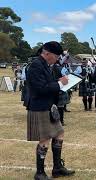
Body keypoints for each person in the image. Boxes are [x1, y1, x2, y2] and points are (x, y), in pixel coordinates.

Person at [26, 41, 75, 180]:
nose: (57, 59)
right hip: (39, 106)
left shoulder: (46, 65)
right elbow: (39, 89)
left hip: (49, 106)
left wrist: (58, 80)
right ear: (47, 53)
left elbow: (48, 82)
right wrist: (60, 83)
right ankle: (40, 173)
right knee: (44, 139)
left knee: (59, 133)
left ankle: (57, 168)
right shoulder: (36, 66)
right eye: (56, 56)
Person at [51, 53, 70, 126]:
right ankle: (60, 121)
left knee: (53, 105)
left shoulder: (48, 68)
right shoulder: (62, 68)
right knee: (60, 107)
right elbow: (67, 77)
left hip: (52, 88)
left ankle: (53, 120)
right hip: (61, 88)